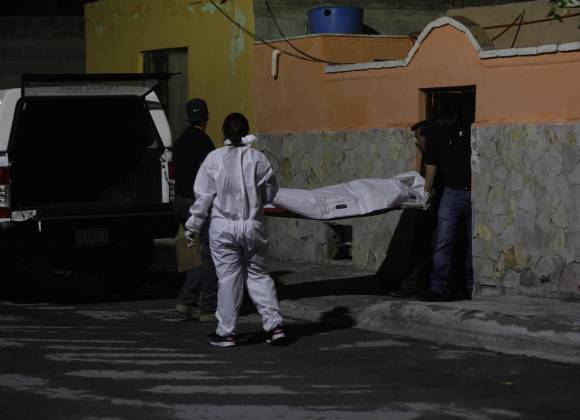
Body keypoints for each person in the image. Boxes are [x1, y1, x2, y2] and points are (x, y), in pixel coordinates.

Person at [184, 112, 285, 347]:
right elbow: (270, 192)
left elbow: (203, 197)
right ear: (246, 131)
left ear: (224, 132)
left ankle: (226, 332)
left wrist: (192, 226)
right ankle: (275, 326)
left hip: (223, 227)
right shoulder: (259, 158)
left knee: (229, 279)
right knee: (259, 275)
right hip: (253, 225)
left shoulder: (214, 159)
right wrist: (257, 203)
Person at [376, 120, 441, 298]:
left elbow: (432, 187)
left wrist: (425, 198)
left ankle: (413, 284)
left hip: (428, 210)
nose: (416, 142)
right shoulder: (428, 156)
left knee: (419, 247)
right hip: (424, 209)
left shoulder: (432, 156)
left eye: (418, 138)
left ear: (427, 138)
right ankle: (412, 283)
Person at [172, 98, 218, 321]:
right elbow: (213, 175)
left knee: (191, 251)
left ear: (188, 118)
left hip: (180, 202)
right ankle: (207, 307)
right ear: (206, 118)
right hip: (196, 203)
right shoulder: (205, 143)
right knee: (207, 254)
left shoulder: (179, 142)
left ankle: (186, 300)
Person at [419, 113, 473, 302]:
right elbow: (431, 162)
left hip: (474, 191)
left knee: (471, 243)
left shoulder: (468, 126)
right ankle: (438, 287)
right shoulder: (434, 131)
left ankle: (469, 287)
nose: (446, 121)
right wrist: (427, 192)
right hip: (452, 191)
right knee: (443, 241)